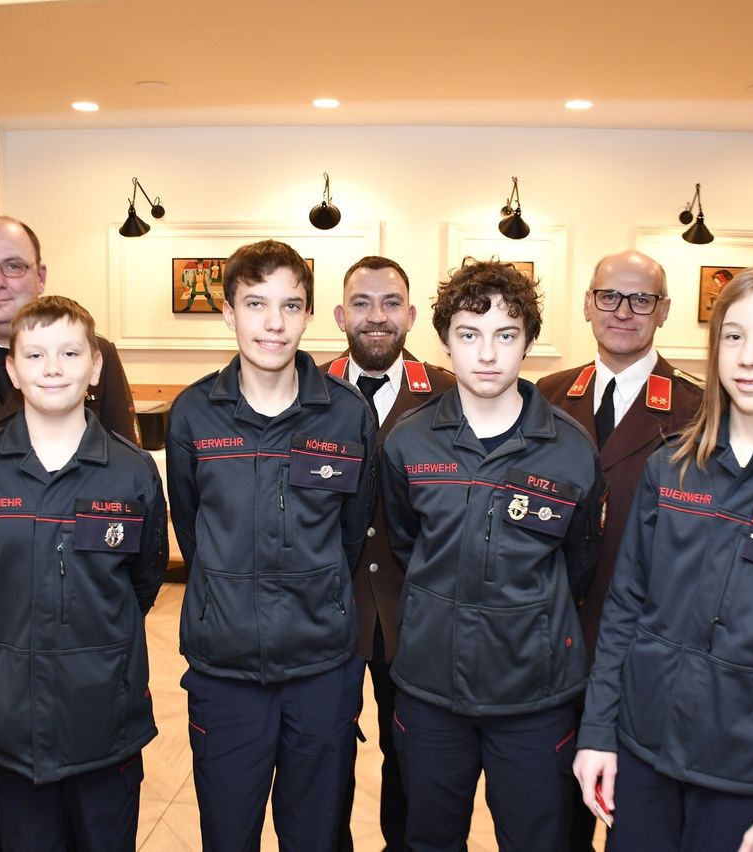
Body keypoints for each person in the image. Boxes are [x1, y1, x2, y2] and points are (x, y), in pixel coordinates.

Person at [0, 216, 140, 851]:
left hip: (86, 638)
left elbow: (129, 491)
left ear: (41, 275)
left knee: (90, 810)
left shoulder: (92, 357)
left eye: (14, 266)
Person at [382, 259, 606, 852]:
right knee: (428, 839)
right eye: (469, 334)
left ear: (528, 342)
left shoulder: (572, 450)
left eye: (505, 335)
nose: (487, 354)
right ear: (445, 343)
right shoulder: (407, 440)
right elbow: (407, 543)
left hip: (535, 697)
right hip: (431, 689)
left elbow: (578, 561)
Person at [166, 239, 377, 851]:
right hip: (224, 669)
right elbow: (191, 527)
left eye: (291, 304)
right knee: (228, 835)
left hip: (322, 669)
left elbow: (352, 530)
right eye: (256, 304)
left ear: (309, 313)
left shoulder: (346, 415)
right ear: (229, 313)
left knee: (315, 836)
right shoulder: (193, 415)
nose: (274, 323)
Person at [574, 265, 753, 852]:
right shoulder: (674, 467)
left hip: (745, 777)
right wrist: (598, 733)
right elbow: (626, 610)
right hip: (643, 752)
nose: (750, 357)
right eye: (734, 336)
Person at [537, 250, 702, 850]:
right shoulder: (546, 396)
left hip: (644, 650)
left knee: (635, 818)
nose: (623, 311)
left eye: (641, 299)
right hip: (549, 641)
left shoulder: (699, 409)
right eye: (609, 296)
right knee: (552, 816)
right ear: (587, 304)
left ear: (664, 310)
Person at [321, 255, 455, 852]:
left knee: (414, 767)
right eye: (362, 303)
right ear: (339, 314)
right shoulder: (308, 390)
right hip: (328, 618)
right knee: (322, 772)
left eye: (391, 303)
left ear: (412, 314)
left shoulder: (449, 395)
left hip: (419, 620)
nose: (377, 317)